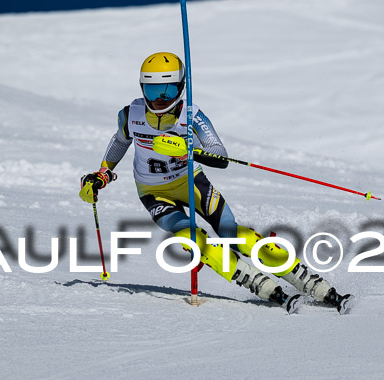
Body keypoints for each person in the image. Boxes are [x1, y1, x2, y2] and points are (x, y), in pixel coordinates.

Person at [79, 52, 351, 313]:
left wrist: (188, 151)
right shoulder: (130, 115)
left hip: (192, 182)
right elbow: (119, 141)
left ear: (181, 88)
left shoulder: (192, 115)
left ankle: (309, 281)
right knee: (193, 238)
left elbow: (219, 155)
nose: (160, 100)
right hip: (153, 192)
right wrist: (103, 174)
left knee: (234, 235)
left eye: (168, 91)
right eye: (152, 91)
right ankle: (259, 283)